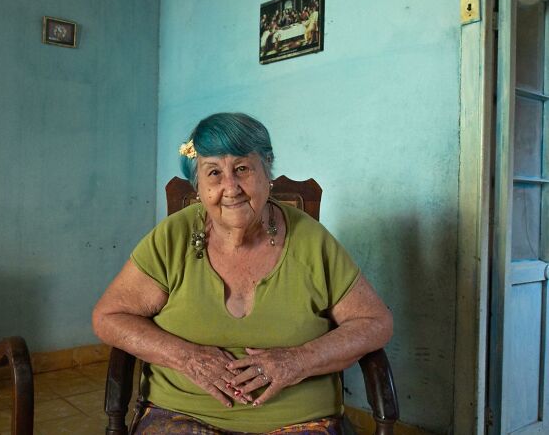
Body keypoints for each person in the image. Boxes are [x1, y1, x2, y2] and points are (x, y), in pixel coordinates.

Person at [93, 113, 393, 435]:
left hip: (298, 421)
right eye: (214, 173)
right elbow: (109, 317)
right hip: (183, 415)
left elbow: (375, 322)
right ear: (199, 185)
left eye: (242, 169)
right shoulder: (172, 238)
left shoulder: (312, 242)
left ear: (267, 170)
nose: (230, 187)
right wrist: (186, 357)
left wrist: (298, 361)